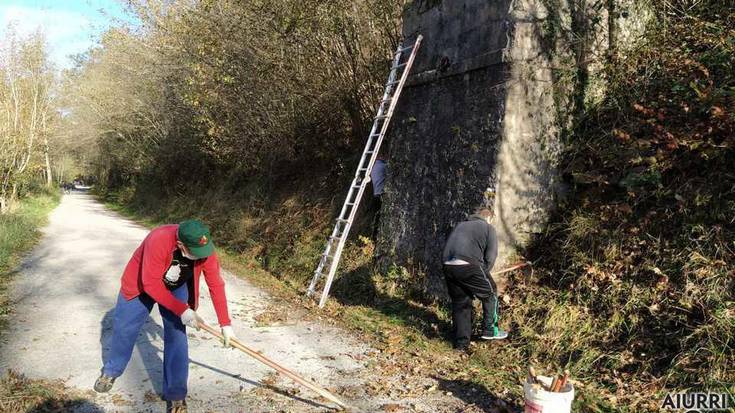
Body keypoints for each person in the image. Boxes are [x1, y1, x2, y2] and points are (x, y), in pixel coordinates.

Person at [94, 219, 237, 413]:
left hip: (175, 286)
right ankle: (111, 371)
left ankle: (176, 395)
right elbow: (151, 284)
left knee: (177, 336)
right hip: (141, 285)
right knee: (125, 329)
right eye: (196, 254)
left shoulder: (205, 249)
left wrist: (225, 324)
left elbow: (216, 284)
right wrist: (182, 310)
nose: (202, 257)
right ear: (181, 246)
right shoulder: (159, 238)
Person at [442, 208, 506, 351]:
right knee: (490, 292)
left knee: (461, 304)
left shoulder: (460, 225)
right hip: (469, 265)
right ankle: (490, 330)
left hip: (448, 265)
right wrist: (484, 274)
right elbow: (491, 256)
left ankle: (461, 345)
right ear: (489, 218)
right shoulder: (488, 228)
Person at [369, 157, 387, 239]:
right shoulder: (383, 166)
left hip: (375, 195)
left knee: (377, 217)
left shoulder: (372, 168)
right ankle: (378, 237)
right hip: (382, 195)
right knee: (383, 217)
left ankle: (373, 237)